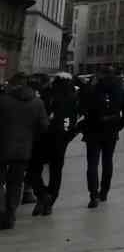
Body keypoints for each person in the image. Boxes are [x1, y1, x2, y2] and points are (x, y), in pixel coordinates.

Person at [0, 74, 48, 230]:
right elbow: (43, 127)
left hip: (2, 147)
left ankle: (1, 211)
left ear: (12, 85)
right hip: (24, 150)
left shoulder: (3, 101)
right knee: (15, 183)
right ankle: (11, 213)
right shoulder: (37, 103)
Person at [26, 72, 78, 216]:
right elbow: (74, 118)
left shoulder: (46, 95)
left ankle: (42, 195)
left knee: (33, 169)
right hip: (61, 139)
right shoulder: (72, 97)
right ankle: (50, 200)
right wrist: (68, 135)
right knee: (56, 171)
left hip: (42, 138)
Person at [79, 67, 124, 209]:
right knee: (107, 161)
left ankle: (93, 194)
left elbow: (83, 108)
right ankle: (104, 191)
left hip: (93, 130)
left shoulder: (93, 89)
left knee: (92, 164)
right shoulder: (120, 90)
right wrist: (119, 124)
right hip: (111, 130)